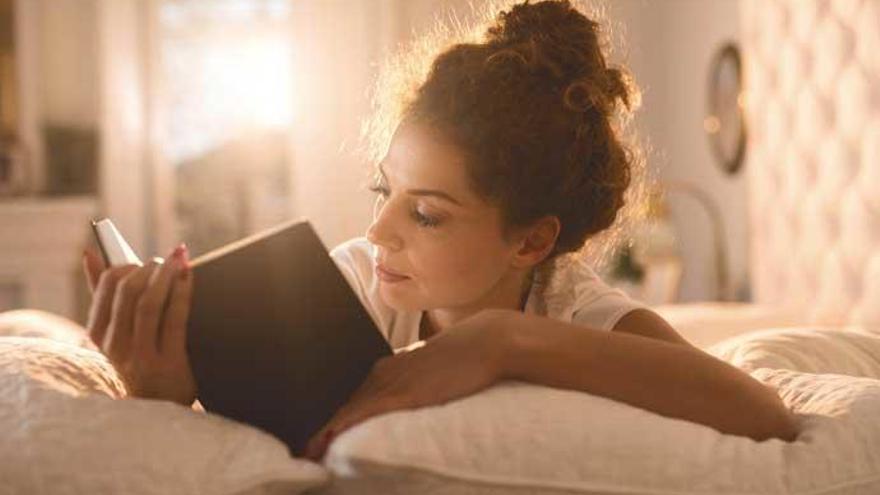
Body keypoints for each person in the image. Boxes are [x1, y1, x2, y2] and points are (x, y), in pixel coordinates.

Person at [82, 0, 799, 462]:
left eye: (425, 213)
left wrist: (501, 341)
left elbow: (763, 411)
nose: (378, 228)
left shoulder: (572, 310)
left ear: (530, 243)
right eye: (382, 190)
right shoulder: (360, 281)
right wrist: (165, 392)